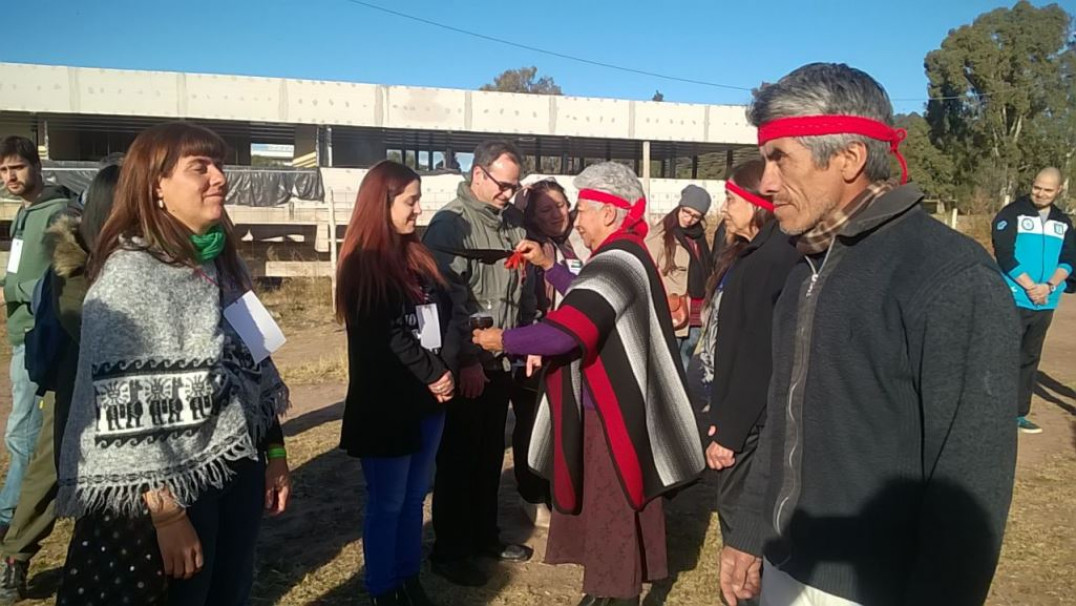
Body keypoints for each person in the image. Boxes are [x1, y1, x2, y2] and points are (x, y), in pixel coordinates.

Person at [719, 63, 1019, 606]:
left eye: (779, 157)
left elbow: (971, 480)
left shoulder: (948, 276)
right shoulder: (803, 269)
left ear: (850, 158)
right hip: (784, 565)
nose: (765, 181)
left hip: (874, 589)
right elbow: (781, 422)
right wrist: (747, 533)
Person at [55, 122, 292, 606]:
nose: (219, 178)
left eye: (220, 166)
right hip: (177, 488)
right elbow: (119, 414)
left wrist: (274, 454)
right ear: (156, 187)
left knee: (232, 590)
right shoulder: (128, 279)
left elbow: (255, 363)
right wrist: (165, 513)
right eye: (199, 168)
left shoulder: (223, 266)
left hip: (236, 465)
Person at [473, 162, 705, 606]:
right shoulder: (626, 254)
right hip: (616, 402)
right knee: (614, 504)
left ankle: (613, 592)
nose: (577, 219)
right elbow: (589, 294)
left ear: (612, 214)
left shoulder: (617, 259)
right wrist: (551, 268)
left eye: (585, 210)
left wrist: (501, 339)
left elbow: (569, 328)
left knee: (613, 505)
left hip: (611, 409)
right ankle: (610, 587)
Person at [0, 163, 121, 604]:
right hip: (76, 379)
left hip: (122, 389)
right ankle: (15, 556)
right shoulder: (72, 258)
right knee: (49, 469)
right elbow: (78, 320)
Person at [336, 160, 454, 606]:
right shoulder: (361, 264)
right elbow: (385, 334)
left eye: (418, 199)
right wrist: (435, 374)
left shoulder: (417, 256)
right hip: (387, 406)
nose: (418, 210)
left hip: (427, 404)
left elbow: (443, 316)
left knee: (412, 499)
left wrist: (444, 369)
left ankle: (408, 576)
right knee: (387, 502)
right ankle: (382, 587)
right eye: (410, 201)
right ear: (381, 202)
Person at [422, 140, 537, 586]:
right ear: (479, 174)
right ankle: (450, 550)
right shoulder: (451, 226)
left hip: (503, 361)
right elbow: (448, 300)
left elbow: (521, 286)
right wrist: (467, 358)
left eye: (514, 186)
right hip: (471, 362)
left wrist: (525, 339)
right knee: (458, 460)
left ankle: (484, 535)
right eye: (503, 185)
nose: (509, 193)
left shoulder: (511, 224)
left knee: (489, 454)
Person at [692, 161, 801, 593]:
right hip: (736, 413)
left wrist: (730, 433)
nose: (725, 208)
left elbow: (760, 357)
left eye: (733, 199)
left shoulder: (772, 261)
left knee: (742, 528)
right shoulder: (751, 253)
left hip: (749, 425)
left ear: (759, 205)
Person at [0, 136, 75, 537]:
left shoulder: (57, 213)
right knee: (25, 428)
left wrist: (11, 290)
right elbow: (18, 269)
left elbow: (59, 278)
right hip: (19, 330)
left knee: (23, 430)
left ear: (37, 166)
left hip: (38, 333)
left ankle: (10, 513)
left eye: (18, 167)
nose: (10, 176)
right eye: (3, 170)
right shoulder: (23, 215)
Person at [510, 179, 585, 521]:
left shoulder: (572, 245)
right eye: (546, 209)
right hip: (535, 344)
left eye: (561, 205)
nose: (558, 214)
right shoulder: (528, 246)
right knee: (530, 420)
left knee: (559, 422)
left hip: (566, 346)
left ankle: (558, 489)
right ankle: (531, 493)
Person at [991, 167, 1074, 435]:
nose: (1040, 193)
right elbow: (1004, 253)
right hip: (1014, 297)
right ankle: (992, 411)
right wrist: (1028, 286)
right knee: (1002, 355)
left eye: (1047, 189)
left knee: (1029, 358)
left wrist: (1049, 286)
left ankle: (1018, 414)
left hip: (1045, 301)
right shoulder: (1012, 213)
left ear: (1058, 190)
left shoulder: (1064, 222)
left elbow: (1070, 259)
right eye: (1037, 187)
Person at [646, 184, 713, 370]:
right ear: (679, 207)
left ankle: (678, 398)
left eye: (696, 216)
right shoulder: (661, 234)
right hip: (673, 308)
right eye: (686, 212)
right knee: (667, 367)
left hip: (697, 311)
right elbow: (647, 268)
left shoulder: (699, 237)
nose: (689, 219)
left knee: (684, 365)